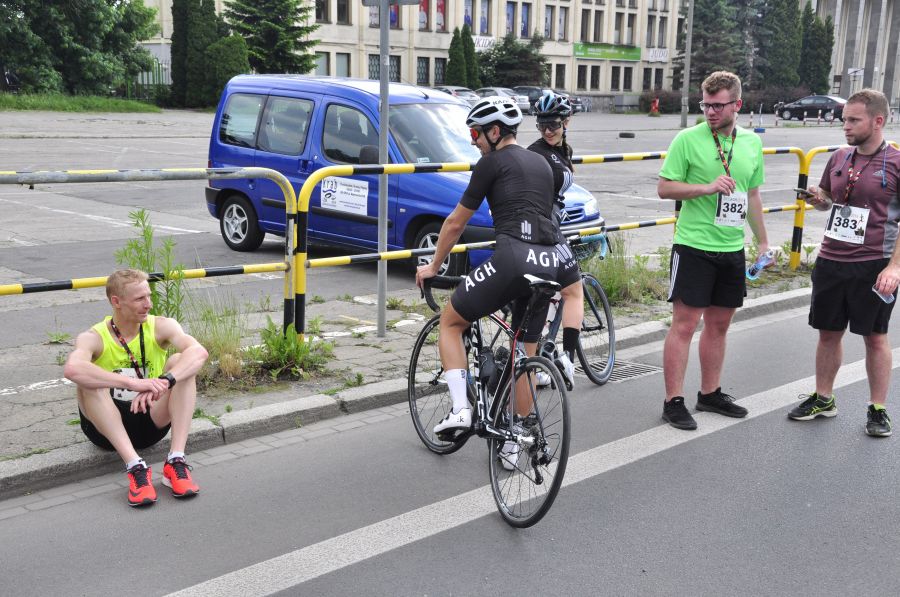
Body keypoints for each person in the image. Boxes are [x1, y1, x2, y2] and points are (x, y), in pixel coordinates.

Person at [414, 96, 581, 447]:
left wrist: (433, 265)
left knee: (451, 321)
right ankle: (514, 440)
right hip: (552, 261)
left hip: (512, 259)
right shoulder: (540, 163)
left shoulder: (490, 164)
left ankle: (460, 409)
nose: (473, 140)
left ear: (494, 132)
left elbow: (456, 222)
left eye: (475, 133)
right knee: (524, 350)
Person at [657, 70, 770, 430]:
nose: (710, 112)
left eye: (718, 105)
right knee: (684, 325)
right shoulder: (688, 140)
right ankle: (673, 401)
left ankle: (709, 393)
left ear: (738, 104)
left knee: (719, 325)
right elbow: (664, 188)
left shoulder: (751, 143)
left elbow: (751, 195)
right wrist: (705, 188)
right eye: (706, 104)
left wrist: (763, 240)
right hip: (693, 245)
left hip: (731, 247)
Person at [790, 88, 900, 437]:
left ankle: (878, 409)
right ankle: (824, 398)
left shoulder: (896, 162)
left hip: (873, 263)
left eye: (854, 120)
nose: (845, 126)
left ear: (877, 121)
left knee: (875, 337)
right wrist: (816, 199)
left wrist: (894, 268)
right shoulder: (838, 157)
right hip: (831, 259)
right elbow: (828, 200)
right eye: (844, 120)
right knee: (828, 333)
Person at [64, 269, 209, 506]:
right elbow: (72, 369)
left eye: (149, 297)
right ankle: (136, 468)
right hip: (105, 431)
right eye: (140, 299)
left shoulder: (162, 326)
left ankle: (176, 461)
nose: (148, 304)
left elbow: (199, 352)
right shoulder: (94, 336)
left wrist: (164, 381)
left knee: (180, 364)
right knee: (89, 379)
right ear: (116, 302)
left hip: (149, 419)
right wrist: (132, 383)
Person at [527, 91, 583, 383]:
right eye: (542, 125)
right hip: (542, 231)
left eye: (554, 125)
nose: (548, 131)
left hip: (552, 226)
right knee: (574, 289)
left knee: (547, 294)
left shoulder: (564, 150)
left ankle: (538, 363)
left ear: (567, 121)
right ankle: (568, 360)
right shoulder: (535, 153)